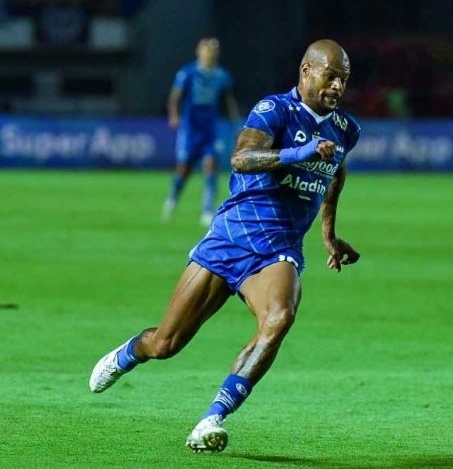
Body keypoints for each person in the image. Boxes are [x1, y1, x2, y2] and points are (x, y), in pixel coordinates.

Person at [90, 39, 361, 453]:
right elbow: (241, 157)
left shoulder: (345, 129)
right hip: (230, 238)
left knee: (279, 318)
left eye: (343, 79)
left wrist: (328, 232)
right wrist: (298, 152)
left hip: (278, 248)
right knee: (166, 343)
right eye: (330, 76)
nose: (338, 86)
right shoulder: (275, 110)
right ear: (306, 71)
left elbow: (335, 172)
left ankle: (211, 418)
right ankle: (130, 352)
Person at [164, 37, 240, 226]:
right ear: (199, 52)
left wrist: (236, 123)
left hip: (210, 130)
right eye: (207, 49)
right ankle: (172, 198)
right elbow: (175, 96)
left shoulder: (222, 75)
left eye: (214, 50)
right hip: (190, 129)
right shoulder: (188, 72)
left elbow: (229, 100)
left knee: (211, 165)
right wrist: (174, 115)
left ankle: (207, 211)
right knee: (184, 169)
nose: (211, 53)